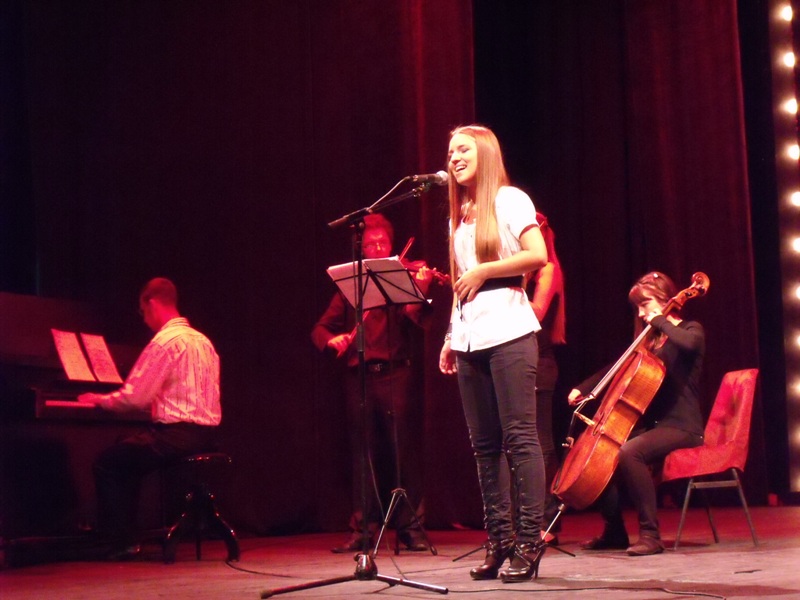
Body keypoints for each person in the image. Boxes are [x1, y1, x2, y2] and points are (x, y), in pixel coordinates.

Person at [438, 124, 549, 583]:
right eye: (450, 152)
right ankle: (499, 539)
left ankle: (530, 540)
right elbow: (460, 284)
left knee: (519, 438)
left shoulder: (509, 199)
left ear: (484, 152)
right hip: (470, 337)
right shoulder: (460, 214)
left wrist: (486, 270)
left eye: (462, 149)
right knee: (484, 446)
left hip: (509, 332)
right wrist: (450, 336)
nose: (454, 158)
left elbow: (537, 255)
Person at [311, 213, 435, 553]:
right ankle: (364, 528)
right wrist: (332, 340)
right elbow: (320, 328)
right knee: (362, 453)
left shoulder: (401, 280)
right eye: (370, 245)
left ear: (391, 246)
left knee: (401, 450)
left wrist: (421, 290)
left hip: (397, 374)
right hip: (360, 378)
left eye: (382, 243)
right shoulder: (351, 289)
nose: (377, 248)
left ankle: (411, 527)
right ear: (361, 250)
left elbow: (418, 317)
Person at [78, 277, 221, 560]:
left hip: (176, 436)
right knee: (126, 449)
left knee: (108, 463)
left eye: (142, 312)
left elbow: (134, 398)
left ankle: (120, 541)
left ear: (152, 303)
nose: (143, 319)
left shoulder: (165, 342)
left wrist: (100, 401)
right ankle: (129, 534)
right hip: (207, 434)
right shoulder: (203, 341)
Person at [568, 271, 705, 556]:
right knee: (603, 455)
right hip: (657, 426)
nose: (641, 313)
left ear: (665, 299)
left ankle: (651, 536)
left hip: (683, 426)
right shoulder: (651, 340)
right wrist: (585, 388)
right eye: (638, 308)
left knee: (631, 452)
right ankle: (615, 531)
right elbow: (618, 365)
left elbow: (690, 344)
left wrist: (660, 319)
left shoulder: (691, 329)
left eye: (645, 304)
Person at [524, 212, 566, 544]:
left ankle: (548, 518)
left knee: (542, 442)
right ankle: (527, 517)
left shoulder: (547, 269)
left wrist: (513, 284)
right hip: (526, 362)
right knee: (526, 442)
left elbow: (536, 314)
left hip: (540, 362)